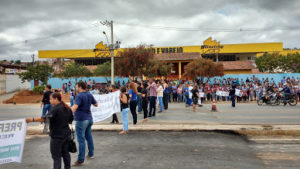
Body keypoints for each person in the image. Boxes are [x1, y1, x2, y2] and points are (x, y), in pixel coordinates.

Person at [26, 92, 73, 169]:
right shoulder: (67, 107)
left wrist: (31, 119)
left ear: (56, 99)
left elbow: (45, 119)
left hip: (57, 136)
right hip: (66, 135)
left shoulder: (55, 109)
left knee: (56, 156)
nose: (49, 100)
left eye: (51, 99)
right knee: (66, 153)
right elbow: (70, 120)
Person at [71, 81, 98, 166]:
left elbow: (75, 106)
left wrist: (68, 113)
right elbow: (96, 104)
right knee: (88, 136)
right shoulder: (89, 94)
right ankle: (91, 154)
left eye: (76, 86)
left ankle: (80, 160)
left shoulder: (79, 95)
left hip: (81, 119)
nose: (75, 88)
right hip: (89, 119)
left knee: (81, 140)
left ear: (79, 87)